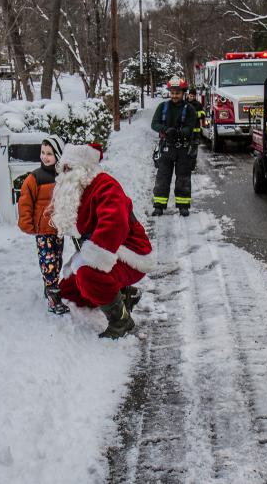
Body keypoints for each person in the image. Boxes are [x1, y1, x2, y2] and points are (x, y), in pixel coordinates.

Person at [51, 143, 154, 339]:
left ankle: (121, 321)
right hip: (102, 253)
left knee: (88, 276)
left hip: (130, 254)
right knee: (69, 291)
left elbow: (115, 225)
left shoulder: (105, 185)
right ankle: (125, 294)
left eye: (69, 168)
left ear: (83, 168)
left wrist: (88, 259)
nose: (64, 173)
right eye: (63, 168)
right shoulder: (77, 190)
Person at [16, 135, 69, 315]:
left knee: (57, 260)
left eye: (49, 153)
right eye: (43, 152)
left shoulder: (64, 177)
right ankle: (53, 298)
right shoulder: (34, 178)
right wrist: (27, 224)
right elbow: (25, 202)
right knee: (48, 262)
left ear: (59, 155)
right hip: (43, 230)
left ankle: (50, 287)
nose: (45, 157)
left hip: (58, 228)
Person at [151, 75, 197, 217]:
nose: (175, 95)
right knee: (162, 177)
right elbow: (154, 124)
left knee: (183, 177)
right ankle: (159, 205)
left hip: (183, 148)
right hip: (166, 147)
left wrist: (178, 132)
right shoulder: (162, 107)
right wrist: (165, 130)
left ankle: (183, 206)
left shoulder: (189, 109)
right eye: (173, 92)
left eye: (178, 93)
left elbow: (190, 127)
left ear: (183, 93)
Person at [185, 87, 204, 170]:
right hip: (186, 131)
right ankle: (185, 163)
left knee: (194, 149)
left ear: (195, 96)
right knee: (185, 148)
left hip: (196, 131)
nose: (192, 97)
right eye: (190, 95)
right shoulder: (184, 103)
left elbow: (203, 114)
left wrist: (194, 114)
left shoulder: (198, 104)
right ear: (188, 95)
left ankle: (192, 165)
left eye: (193, 96)